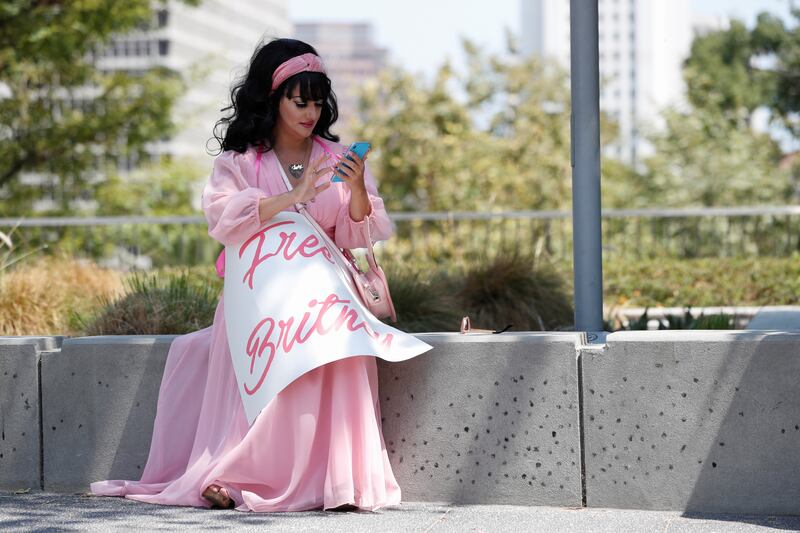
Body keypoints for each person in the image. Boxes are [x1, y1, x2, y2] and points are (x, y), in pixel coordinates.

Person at [90, 38, 400, 512]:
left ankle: (333, 480)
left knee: (336, 340)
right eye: (299, 101)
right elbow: (225, 221)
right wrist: (291, 195)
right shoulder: (239, 163)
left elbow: (358, 236)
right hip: (261, 297)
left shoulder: (335, 158)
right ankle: (234, 476)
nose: (311, 111)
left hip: (327, 297)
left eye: (318, 101)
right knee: (256, 343)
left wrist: (356, 188)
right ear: (273, 99)